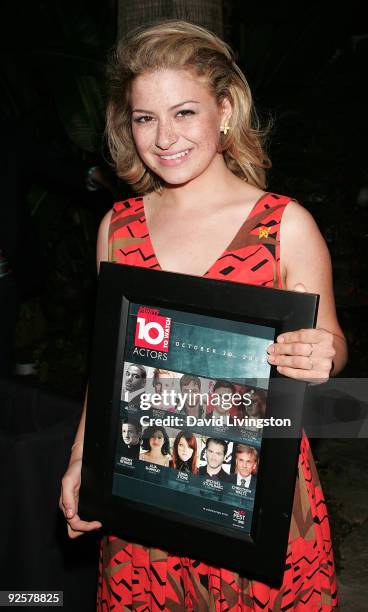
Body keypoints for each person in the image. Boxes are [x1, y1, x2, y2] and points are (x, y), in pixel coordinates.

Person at [60, 20, 347, 610]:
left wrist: (323, 354)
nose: (164, 137)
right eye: (145, 118)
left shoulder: (284, 225)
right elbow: (109, 367)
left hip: (255, 495)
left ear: (224, 108)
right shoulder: (118, 227)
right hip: (146, 490)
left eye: (184, 113)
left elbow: (331, 344)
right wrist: (79, 461)